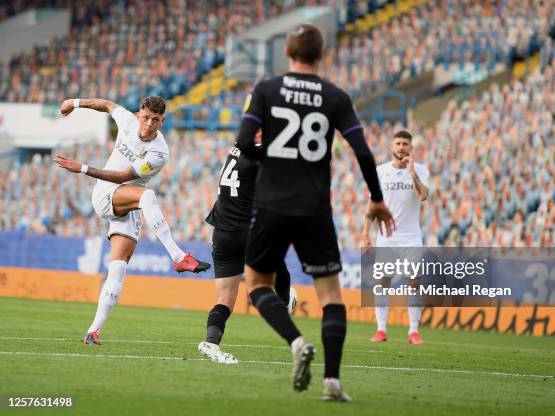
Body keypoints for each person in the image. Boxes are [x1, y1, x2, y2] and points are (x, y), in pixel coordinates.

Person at [235, 23, 395, 402]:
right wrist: (375, 197)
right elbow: (364, 152)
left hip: (272, 202)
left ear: (287, 53)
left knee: (257, 282)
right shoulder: (335, 96)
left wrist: (270, 159)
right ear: (321, 54)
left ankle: (295, 342)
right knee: (330, 296)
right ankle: (333, 382)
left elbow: (243, 143)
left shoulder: (266, 90)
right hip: (314, 208)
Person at [55, 96, 210, 345]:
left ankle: (92, 332)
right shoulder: (127, 121)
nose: (149, 124)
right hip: (105, 194)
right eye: (146, 117)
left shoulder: (159, 153)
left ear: (162, 121)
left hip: (128, 202)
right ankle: (179, 257)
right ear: (139, 114)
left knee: (118, 269)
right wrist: (73, 102)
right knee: (147, 195)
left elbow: (122, 177)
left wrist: (82, 168)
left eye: (156, 120)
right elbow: (107, 105)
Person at [199, 133, 297, 364]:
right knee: (277, 264)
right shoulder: (262, 153)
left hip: (222, 233)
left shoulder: (236, 150)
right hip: (247, 231)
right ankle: (284, 301)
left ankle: (211, 343)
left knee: (224, 299)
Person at [362, 130, 429, 345]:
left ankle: (413, 331)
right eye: (398, 143)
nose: (401, 147)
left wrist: (412, 173)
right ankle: (381, 329)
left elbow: (423, 195)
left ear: (411, 148)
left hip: (411, 237)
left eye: (405, 144)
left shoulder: (420, 170)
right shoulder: (380, 172)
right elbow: (372, 204)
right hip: (386, 237)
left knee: (414, 282)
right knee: (383, 282)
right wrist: (365, 233)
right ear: (392, 147)